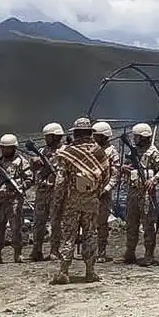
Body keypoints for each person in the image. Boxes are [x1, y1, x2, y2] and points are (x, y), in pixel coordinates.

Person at [51, 117, 111, 284]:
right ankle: (90, 271)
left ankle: (64, 271)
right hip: (92, 202)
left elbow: (60, 182)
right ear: (90, 133)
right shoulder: (99, 152)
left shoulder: (68, 152)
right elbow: (107, 176)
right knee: (90, 235)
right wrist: (95, 192)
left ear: (76, 133)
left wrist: (57, 203)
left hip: (72, 202)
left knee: (68, 236)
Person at [123, 123, 159, 266]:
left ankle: (149, 254)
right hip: (133, 192)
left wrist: (153, 180)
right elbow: (127, 164)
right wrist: (124, 168)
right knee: (131, 223)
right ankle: (130, 253)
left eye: (136, 137)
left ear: (143, 137)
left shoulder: (153, 152)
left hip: (146, 194)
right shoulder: (133, 152)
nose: (134, 139)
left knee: (148, 225)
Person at [0, 134, 33, 264]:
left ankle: (18, 253)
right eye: (3, 148)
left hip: (14, 199)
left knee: (16, 227)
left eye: (8, 148)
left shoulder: (21, 161)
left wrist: (20, 187)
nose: (5, 150)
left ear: (14, 148)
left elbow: (29, 178)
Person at [29, 122, 65, 262]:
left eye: (49, 137)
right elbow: (34, 172)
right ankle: (36, 250)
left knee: (56, 222)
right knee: (38, 222)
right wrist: (35, 163)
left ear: (56, 136)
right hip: (42, 190)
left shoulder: (64, 151)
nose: (46, 140)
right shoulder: (43, 151)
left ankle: (55, 250)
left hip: (56, 190)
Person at [92, 121, 119, 263]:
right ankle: (90, 250)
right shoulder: (91, 150)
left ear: (104, 136)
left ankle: (101, 251)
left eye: (96, 135)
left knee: (102, 223)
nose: (94, 138)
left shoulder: (111, 152)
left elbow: (115, 175)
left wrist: (106, 189)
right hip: (90, 191)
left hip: (103, 193)